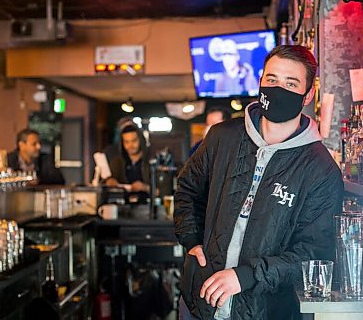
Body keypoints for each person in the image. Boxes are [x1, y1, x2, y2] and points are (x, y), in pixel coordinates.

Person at [174, 45, 343, 320]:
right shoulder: (222, 137)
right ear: (261, 82)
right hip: (199, 303)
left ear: (308, 95)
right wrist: (191, 238)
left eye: (291, 83)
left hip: (265, 310)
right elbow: (188, 189)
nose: (278, 89)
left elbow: (313, 252)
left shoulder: (320, 170)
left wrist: (247, 276)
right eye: (272, 80)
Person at [0, 128, 65, 185]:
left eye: (39, 143)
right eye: (34, 144)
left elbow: (59, 180)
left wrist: (39, 180)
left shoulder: (46, 159)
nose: (39, 147)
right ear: (21, 145)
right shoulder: (7, 159)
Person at [105, 124, 151, 196]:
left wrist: (145, 188)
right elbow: (105, 182)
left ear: (141, 140)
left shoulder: (152, 161)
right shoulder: (118, 162)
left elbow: (164, 192)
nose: (130, 145)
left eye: (134, 141)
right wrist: (109, 182)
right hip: (123, 204)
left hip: (147, 204)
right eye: (126, 142)